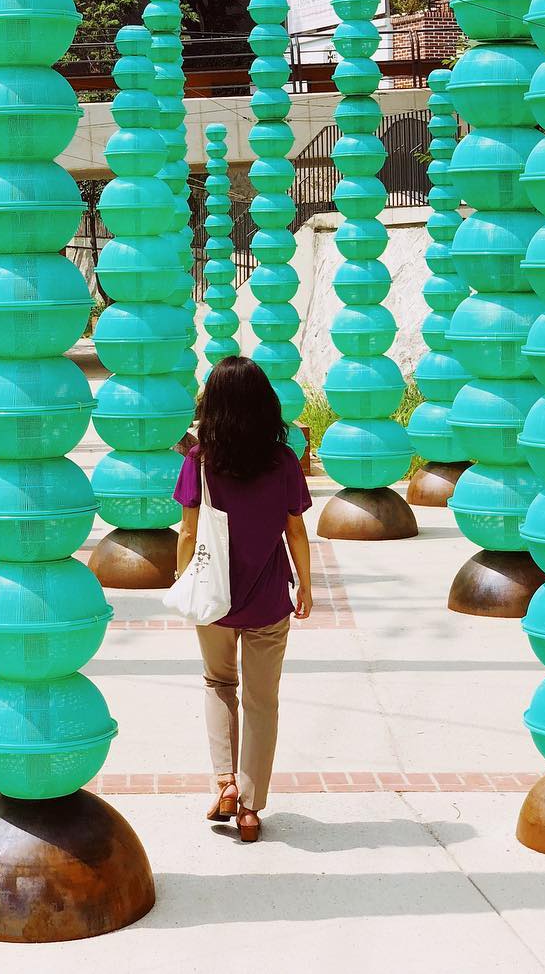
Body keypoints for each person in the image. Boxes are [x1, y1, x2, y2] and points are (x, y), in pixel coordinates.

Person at [173, 355, 313, 843]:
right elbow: (295, 530)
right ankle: (251, 808)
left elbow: (189, 534)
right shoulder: (283, 462)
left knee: (218, 683)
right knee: (262, 701)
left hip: (213, 595)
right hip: (270, 598)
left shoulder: (200, 462)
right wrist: (307, 586)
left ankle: (225, 783)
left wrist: (182, 579)